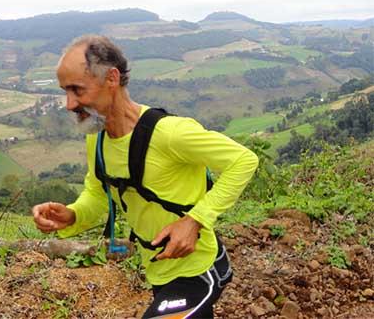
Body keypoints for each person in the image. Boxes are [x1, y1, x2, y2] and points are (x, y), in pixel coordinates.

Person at [32, 35, 259, 318]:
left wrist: (195, 220)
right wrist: (72, 216)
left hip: (197, 270)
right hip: (159, 272)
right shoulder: (98, 139)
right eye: (65, 91)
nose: (69, 103)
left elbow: (244, 160)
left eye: (77, 90)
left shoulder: (169, 134)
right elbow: (98, 195)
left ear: (111, 79)